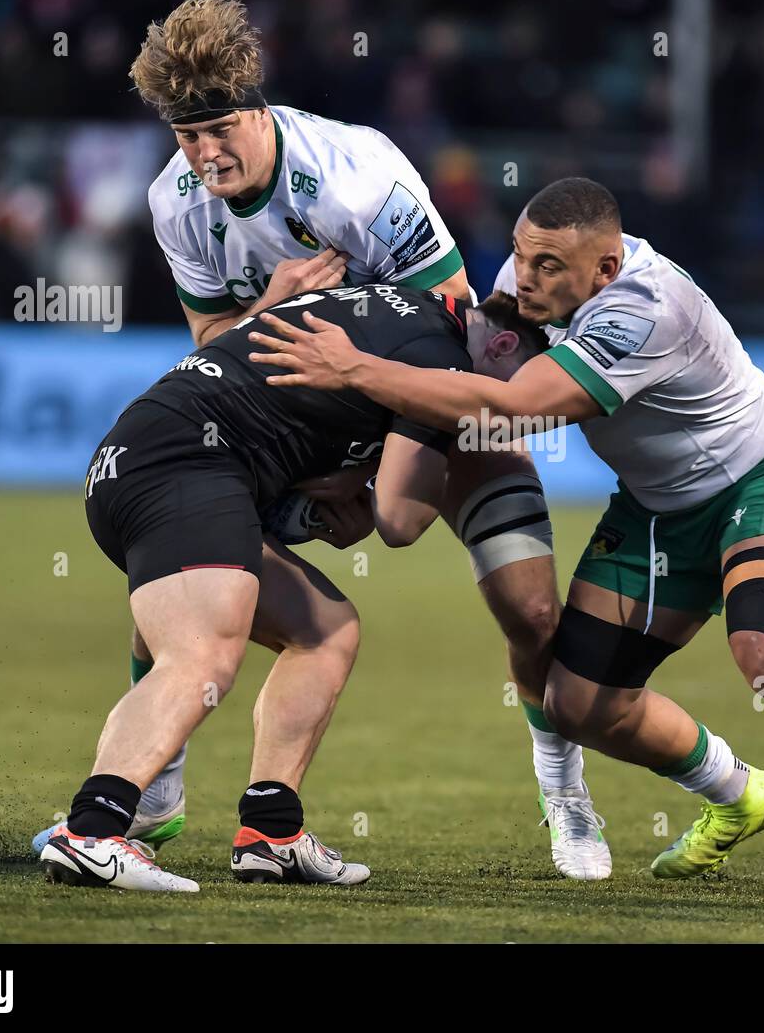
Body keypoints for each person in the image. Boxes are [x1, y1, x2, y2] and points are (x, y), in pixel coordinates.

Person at [250, 178, 764, 905]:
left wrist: (356, 369)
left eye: (549, 267)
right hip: (658, 508)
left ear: (605, 270)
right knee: (578, 703)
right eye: (521, 256)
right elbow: (476, 400)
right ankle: (739, 792)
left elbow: (512, 406)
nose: (525, 280)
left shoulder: (646, 311)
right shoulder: (529, 284)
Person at [34, 0, 604, 880]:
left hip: (424, 396)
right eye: (187, 137)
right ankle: (137, 800)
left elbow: (458, 334)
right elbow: (213, 354)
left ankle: (563, 796)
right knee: (202, 592)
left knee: (527, 606)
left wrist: (366, 476)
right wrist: (277, 310)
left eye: (221, 129)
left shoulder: (356, 175)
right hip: (261, 425)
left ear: (259, 110)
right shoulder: (176, 200)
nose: (205, 154)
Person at [42, 282, 545, 890]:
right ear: (507, 345)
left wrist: (353, 472)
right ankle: (93, 830)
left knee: (327, 632)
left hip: (154, 458)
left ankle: (270, 830)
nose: (518, 415)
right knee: (202, 654)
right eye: (525, 394)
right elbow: (399, 520)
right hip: (182, 466)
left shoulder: (406, 307)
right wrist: (396, 469)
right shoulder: (443, 360)